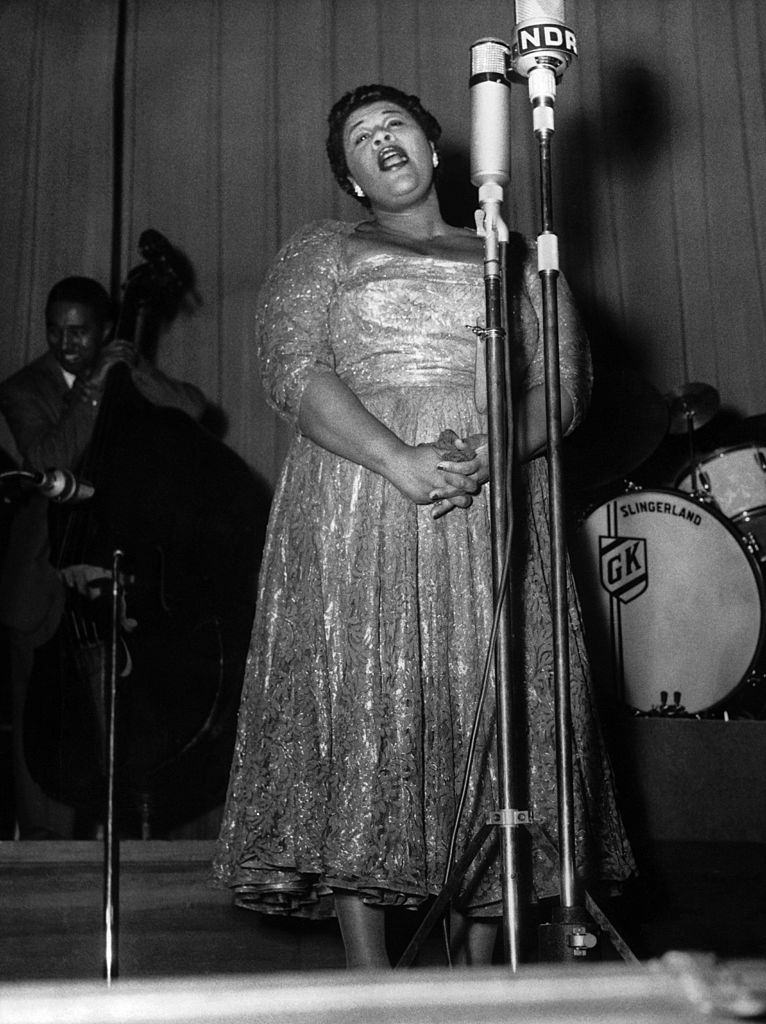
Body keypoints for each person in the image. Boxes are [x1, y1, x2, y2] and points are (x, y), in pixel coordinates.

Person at [213, 84, 635, 968]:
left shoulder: (510, 253)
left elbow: (561, 382)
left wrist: (491, 450)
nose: (381, 140)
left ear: (435, 146)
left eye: (393, 124)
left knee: (485, 707)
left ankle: (478, 967)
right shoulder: (324, 251)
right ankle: (372, 981)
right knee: (367, 712)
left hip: (488, 500)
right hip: (360, 498)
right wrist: (397, 459)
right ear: (353, 179)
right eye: (361, 139)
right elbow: (295, 372)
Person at [0, 275, 207, 838]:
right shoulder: (23, 388)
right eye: (55, 331)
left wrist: (131, 366)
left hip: (111, 572)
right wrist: (92, 384)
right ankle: (45, 850)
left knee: (118, 720)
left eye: (80, 332)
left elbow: (192, 412)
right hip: (44, 580)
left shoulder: (121, 371)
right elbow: (46, 456)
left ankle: (120, 842)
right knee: (40, 727)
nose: (65, 343)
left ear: (106, 330)